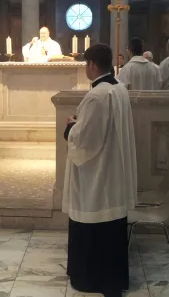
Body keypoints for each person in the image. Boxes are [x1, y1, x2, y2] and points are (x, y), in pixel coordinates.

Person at [63, 43, 137, 297]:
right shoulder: (118, 89)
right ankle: (112, 280)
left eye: (86, 64)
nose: (86, 68)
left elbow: (86, 140)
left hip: (98, 175)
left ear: (92, 64)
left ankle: (90, 279)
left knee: (94, 222)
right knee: (112, 230)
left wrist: (71, 128)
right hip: (114, 171)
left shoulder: (97, 95)